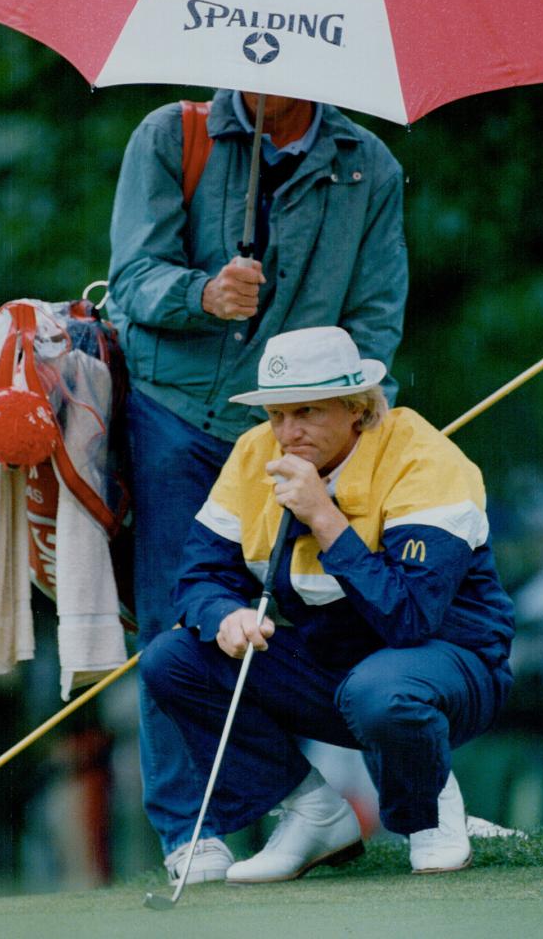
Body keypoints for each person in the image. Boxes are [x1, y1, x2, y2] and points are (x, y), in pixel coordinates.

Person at [106, 90, 408, 878]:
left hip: (303, 432)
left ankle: (335, 805)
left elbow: (375, 317)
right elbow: (130, 278)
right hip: (178, 415)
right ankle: (192, 830)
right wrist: (200, 294)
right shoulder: (172, 135)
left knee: (304, 613)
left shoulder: (367, 164)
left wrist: (355, 426)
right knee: (184, 619)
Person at [140, 326, 515, 880]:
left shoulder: (425, 458)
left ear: (357, 409)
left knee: (381, 689)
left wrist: (325, 517)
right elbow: (197, 578)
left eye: (308, 412)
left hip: (453, 665)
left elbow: (408, 619)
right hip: (338, 669)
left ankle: (427, 810)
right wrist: (227, 616)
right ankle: (313, 812)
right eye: (276, 416)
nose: (287, 433)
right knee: (171, 660)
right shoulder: (254, 455)